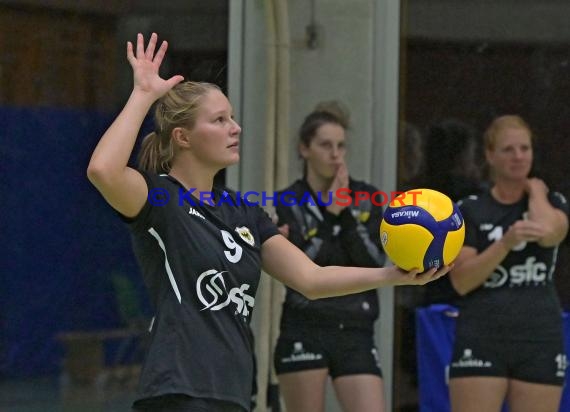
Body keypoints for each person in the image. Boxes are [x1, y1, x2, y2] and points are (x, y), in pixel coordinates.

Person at [86, 33, 449, 412]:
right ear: (183, 137)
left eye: (233, 117)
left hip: (233, 391)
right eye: (220, 120)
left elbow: (311, 279)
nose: (235, 127)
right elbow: (103, 170)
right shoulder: (161, 199)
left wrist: (394, 275)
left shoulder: (245, 213)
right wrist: (144, 94)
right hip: (179, 389)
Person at [448, 115, 569, 412]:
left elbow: (549, 235)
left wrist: (536, 192)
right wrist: (504, 244)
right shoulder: (470, 209)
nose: (518, 156)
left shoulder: (551, 202)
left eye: (524, 148)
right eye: (508, 150)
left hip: (538, 336)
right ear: (489, 156)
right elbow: (462, 281)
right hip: (482, 334)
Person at [272, 102, 387, 412]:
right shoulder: (287, 201)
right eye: (325, 145)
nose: (336, 154)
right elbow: (301, 270)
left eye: (341, 146)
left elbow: (375, 262)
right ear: (304, 148)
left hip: (356, 328)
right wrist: (329, 216)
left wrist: (346, 213)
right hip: (305, 325)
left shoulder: (367, 197)